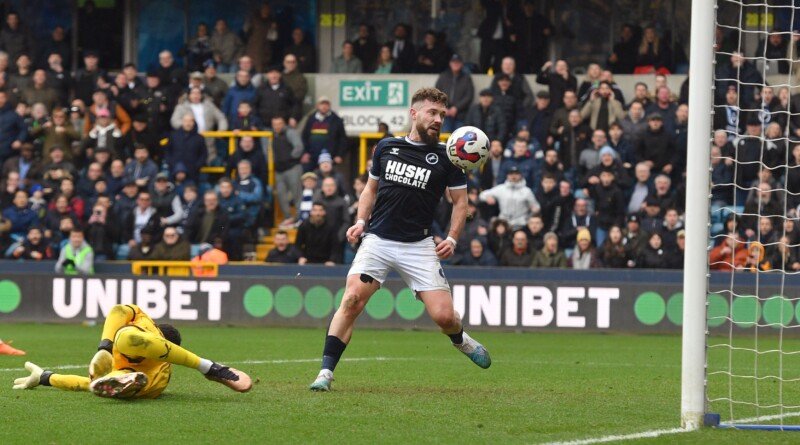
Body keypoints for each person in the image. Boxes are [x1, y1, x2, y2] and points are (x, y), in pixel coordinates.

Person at [308, 87, 491, 392]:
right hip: (378, 240)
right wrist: (360, 222)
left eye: (442, 115)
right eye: (432, 112)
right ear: (413, 113)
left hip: (418, 247)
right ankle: (325, 373)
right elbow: (370, 190)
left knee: (445, 317)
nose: (438, 119)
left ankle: (460, 339)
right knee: (351, 299)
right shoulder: (386, 147)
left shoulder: (449, 157)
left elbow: (461, 203)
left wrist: (453, 238)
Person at [12, 304, 251, 398]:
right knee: (98, 381)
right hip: (140, 379)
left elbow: (119, 314)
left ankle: (208, 367)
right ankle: (120, 380)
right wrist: (45, 377)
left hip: (140, 373)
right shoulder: (143, 322)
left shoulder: (146, 333)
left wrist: (106, 346)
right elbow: (118, 311)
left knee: (124, 340)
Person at [301, 97, 347, 168]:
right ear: (317, 106)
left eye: (326, 104)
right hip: (312, 157)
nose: (324, 106)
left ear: (329, 106)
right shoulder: (311, 119)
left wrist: (339, 155)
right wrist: (305, 153)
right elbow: (305, 137)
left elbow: (342, 139)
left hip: (330, 158)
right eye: (322, 104)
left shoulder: (336, 120)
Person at [435, 54, 474, 133]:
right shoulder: (443, 76)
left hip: (461, 115)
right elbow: (436, 93)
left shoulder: (467, 77)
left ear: (461, 64)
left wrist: (456, 108)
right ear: (450, 63)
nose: (456, 64)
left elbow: (469, 96)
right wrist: (444, 108)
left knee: (459, 137)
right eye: (454, 62)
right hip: (445, 114)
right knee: (444, 137)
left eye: (458, 62)